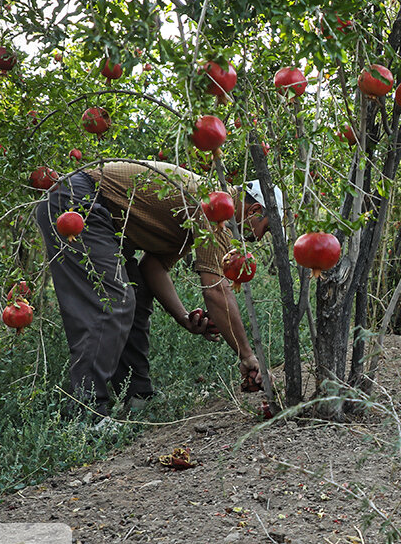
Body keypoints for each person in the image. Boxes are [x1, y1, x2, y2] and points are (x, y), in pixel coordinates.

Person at [33, 159, 283, 419]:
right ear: (255, 210)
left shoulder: (208, 209)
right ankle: (86, 412)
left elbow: (153, 268)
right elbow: (216, 291)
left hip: (98, 215)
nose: (258, 239)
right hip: (75, 204)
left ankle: (138, 396)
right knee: (114, 299)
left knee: (136, 294)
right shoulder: (218, 209)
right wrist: (247, 355)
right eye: (264, 230)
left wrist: (184, 318)